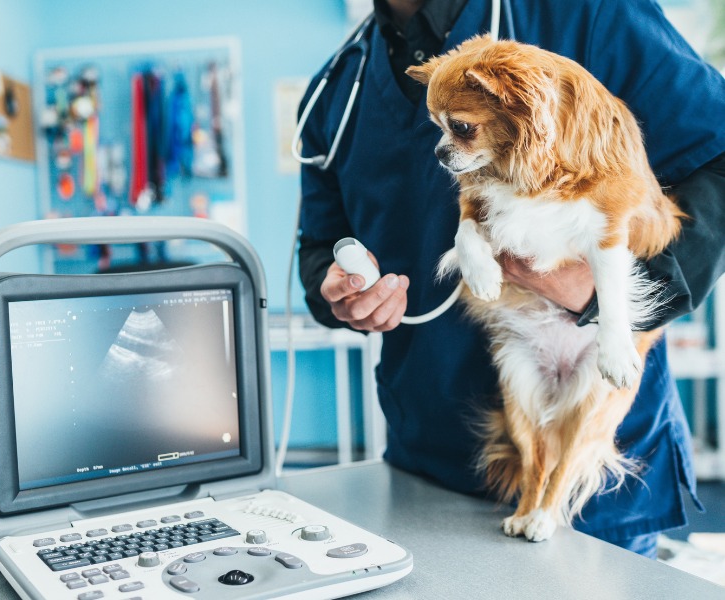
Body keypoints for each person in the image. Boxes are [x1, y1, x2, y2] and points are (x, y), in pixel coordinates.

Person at [297, 0, 725, 559]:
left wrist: (610, 294)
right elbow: (318, 247)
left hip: (597, 482)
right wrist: (338, 296)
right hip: (426, 470)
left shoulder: (590, 14)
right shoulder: (334, 89)